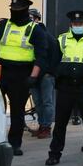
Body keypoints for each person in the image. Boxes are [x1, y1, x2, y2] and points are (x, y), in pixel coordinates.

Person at [45, 11, 83, 166]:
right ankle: (54, 154)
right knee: (60, 123)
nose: (78, 26)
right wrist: (59, 74)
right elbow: (54, 61)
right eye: (75, 24)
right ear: (70, 24)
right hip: (66, 87)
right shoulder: (62, 39)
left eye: (81, 23)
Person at [0, 0, 48, 156]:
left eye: (17, 10)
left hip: (22, 74)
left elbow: (41, 56)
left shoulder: (35, 29)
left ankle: (14, 144)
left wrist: (33, 77)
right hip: (1, 72)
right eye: (12, 9)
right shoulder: (3, 25)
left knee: (17, 112)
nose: (13, 12)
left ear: (25, 11)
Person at [28, 7, 56, 139]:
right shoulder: (28, 35)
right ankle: (41, 125)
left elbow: (55, 55)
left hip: (45, 76)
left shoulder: (46, 35)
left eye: (31, 17)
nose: (29, 20)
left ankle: (46, 127)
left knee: (46, 102)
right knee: (38, 102)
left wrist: (49, 72)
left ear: (38, 19)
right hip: (33, 75)